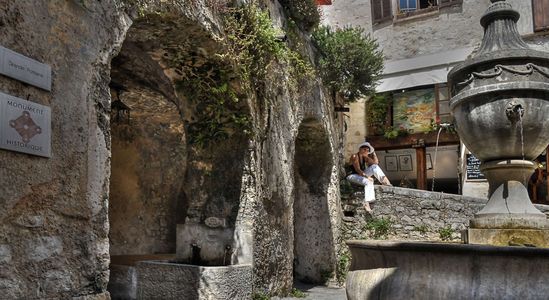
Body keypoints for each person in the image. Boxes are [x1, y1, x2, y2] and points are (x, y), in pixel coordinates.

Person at [346, 142, 392, 212]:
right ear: (360, 149)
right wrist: (367, 177)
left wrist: (373, 152)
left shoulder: (365, 158)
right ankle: (367, 203)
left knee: (374, 167)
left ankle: (386, 182)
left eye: (367, 150)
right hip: (351, 175)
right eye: (364, 149)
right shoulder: (354, 156)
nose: (366, 151)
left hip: (360, 175)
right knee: (368, 182)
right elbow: (358, 170)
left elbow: (376, 163)